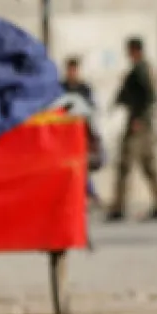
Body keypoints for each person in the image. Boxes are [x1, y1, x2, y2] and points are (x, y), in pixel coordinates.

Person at [106, 36, 157, 222]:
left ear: (134, 51)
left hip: (138, 124)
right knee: (148, 165)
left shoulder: (140, 70)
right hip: (142, 123)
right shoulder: (141, 69)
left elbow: (148, 95)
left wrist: (138, 118)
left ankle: (119, 207)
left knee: (126, 165)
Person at [62, 56, 105, 204]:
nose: (72, 73)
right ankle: (84, 192)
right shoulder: (61, 88)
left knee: (82, 164)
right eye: (70, 70)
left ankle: (89, 192)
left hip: (81, 132)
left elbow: (91, 109)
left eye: (74, 70)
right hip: (64, 133)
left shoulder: (84, 88)